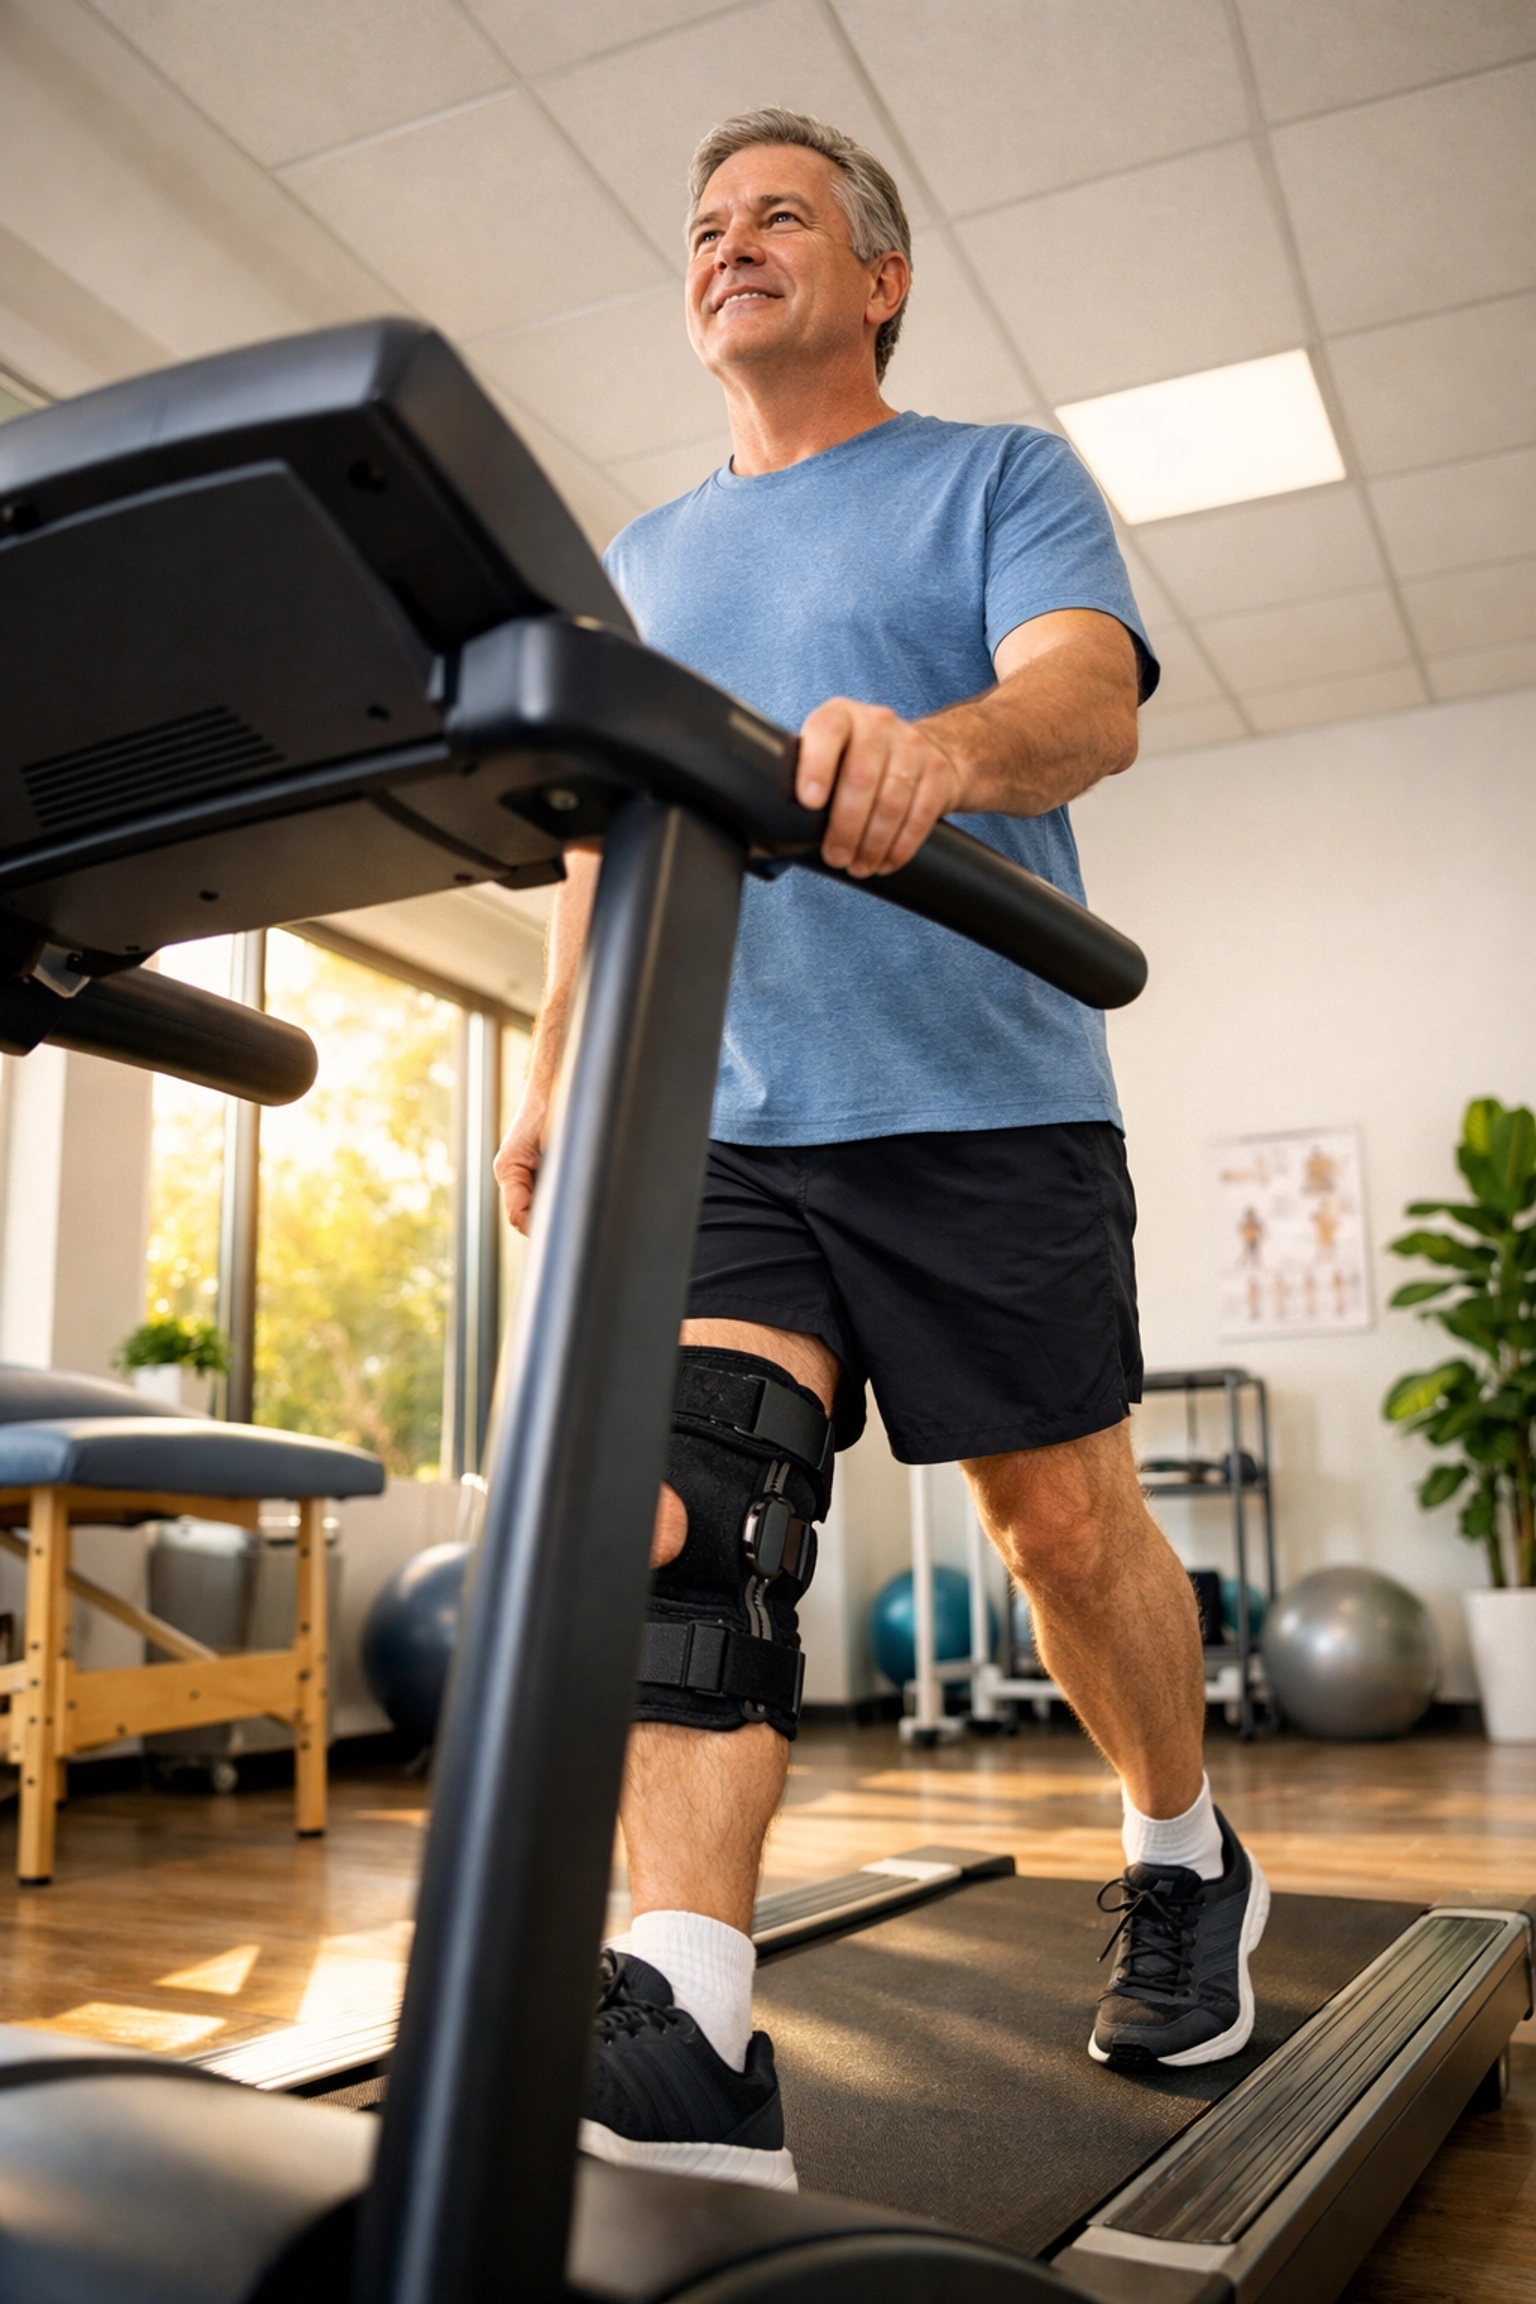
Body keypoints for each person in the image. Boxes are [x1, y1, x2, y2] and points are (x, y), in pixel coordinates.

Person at [495, 107, 1268, 2193]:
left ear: (880, 279)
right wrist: (563, 1053)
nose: (730, 246)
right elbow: (603, 838)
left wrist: (939, 749)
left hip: (984, 1097)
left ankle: (1184, 1852)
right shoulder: (647, 561)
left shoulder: (995, 476)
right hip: (733, 1114)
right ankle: (692, 2021)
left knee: (1065, 1541)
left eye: (781, 218)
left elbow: (1088, 699)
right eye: (706, 227)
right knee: (696, 1522)